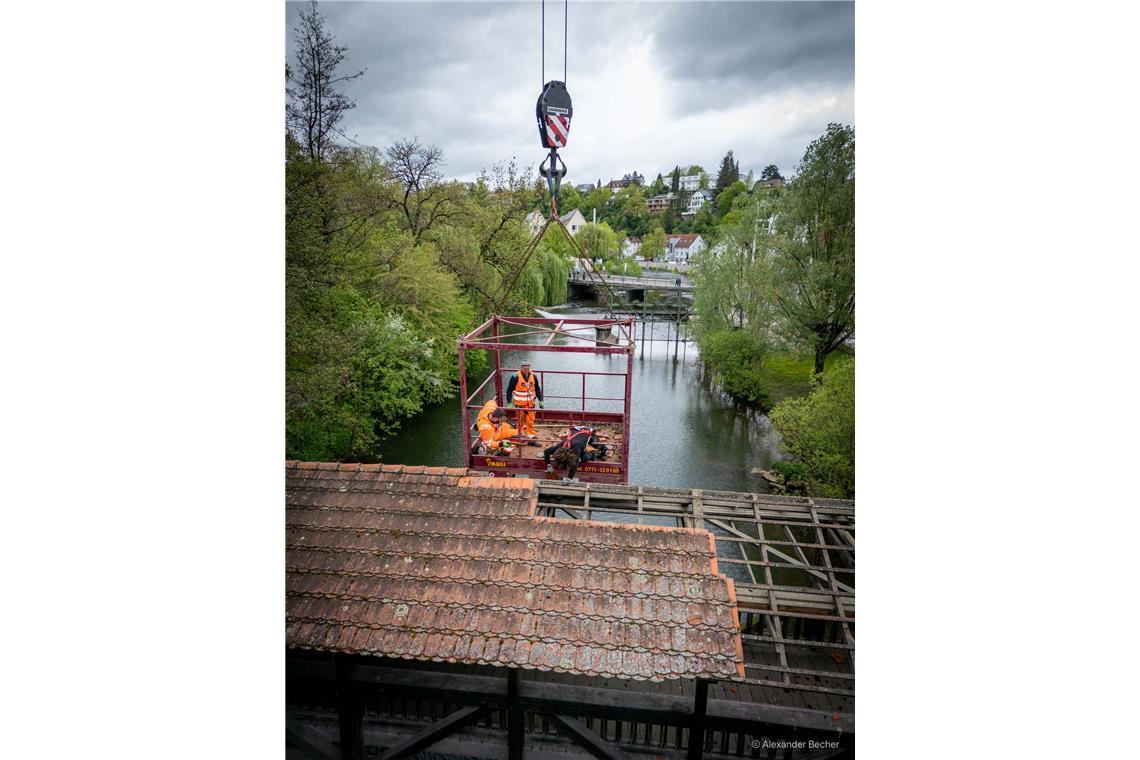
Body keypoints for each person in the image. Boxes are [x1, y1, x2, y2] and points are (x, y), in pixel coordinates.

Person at [544, 424, 609, 480]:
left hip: (588, 431)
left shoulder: (577, 447)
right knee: (579, 455)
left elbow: (575, 463)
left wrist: (569, 478)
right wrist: (548, 465)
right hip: (576, 430)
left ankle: (599, 453)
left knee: (585, 457)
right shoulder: (562, 445)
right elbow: (546, 451)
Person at [505, 361, 543, 440]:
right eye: (525, 368)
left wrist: (541, 400)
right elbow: (509, 390)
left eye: (528, 369)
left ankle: (531, 437)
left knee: (530, 421)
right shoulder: (515, 376)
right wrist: (509, 402)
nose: (526, 370)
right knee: (520, 421)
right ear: (521, 368)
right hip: (519, 405)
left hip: (530, 404)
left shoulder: (534, 376)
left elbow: (537, 389)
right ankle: (520, 434)